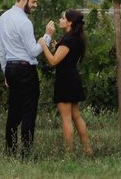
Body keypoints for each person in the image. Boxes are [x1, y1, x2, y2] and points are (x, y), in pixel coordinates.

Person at [0, 0, 54, 158]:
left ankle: (10, 151)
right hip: (25, 69)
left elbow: (2, 50)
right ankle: (26, 154)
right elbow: (33, 51)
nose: (35, 5)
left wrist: (5, 72)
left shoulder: (3, 18)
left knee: (13, 113)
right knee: (29, 112)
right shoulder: (24, 21)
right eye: (34, 2)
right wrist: (47, 36)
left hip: (11, 69)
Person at [39, 9, 92, 156]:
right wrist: (57, 47)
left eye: (63, 18)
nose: (60, 20)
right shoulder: (76, 38)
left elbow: (53, 61)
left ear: (69, 22)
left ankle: (68, 154)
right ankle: (87, 150)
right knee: (76, 116)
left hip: (65, 80)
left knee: (66, 118)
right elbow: (65, 56)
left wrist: (43, 44)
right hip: (73, 77)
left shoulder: (68, 40)